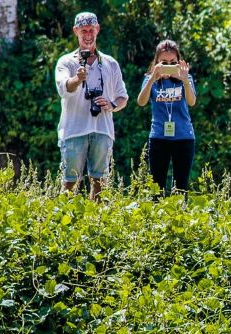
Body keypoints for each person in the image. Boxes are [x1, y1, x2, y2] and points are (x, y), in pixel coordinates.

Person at [54, 12, 128, 200]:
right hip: (74, 130)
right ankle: (67, 223)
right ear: (75, 32)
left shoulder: (110, 63)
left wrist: (111, 105)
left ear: (97, 30)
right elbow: (64, 87)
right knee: (70, 183)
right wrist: (78, 79)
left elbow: (123, 97)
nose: (88, 35)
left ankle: (96, 224)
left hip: (102, 129)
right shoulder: (66, 61)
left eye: (91, 30)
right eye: (83, 30)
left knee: (100, 183)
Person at [136, 40, 197, 195]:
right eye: (164, 63)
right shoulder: (151, 80)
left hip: (183, 137)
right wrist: (152, 78)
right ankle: (156, 218)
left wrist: (185, 80)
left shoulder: (186, 79)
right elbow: (141, 102)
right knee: (156, 187)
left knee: (181, 187)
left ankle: (179, 218)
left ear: (179, 62)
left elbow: (192, 102)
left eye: (172, 62)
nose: (168, 66)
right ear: (156, 62)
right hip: (159, 137)